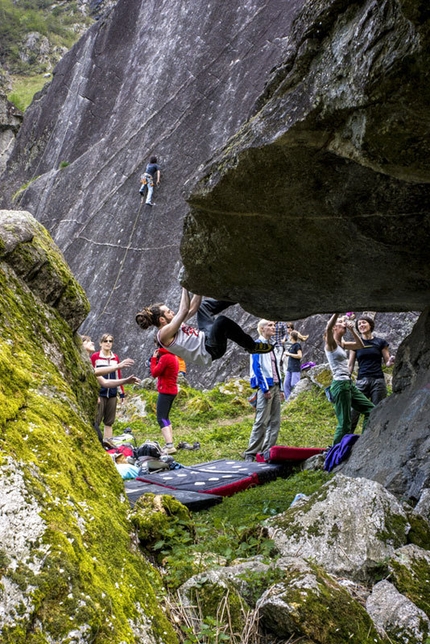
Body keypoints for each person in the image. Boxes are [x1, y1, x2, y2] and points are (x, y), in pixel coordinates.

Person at [135, 288, 275, 367]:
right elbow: (184, 310)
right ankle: (251, 346)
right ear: (162, 320)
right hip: (210, 349)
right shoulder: (163, 334)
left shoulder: (172, 325)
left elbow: (193, 308)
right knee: (221, 322)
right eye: (168, 312)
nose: (172, 312)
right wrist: (185, 286)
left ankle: (237, 296)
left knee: (203, 307)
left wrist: (197, 288)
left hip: (206, 336)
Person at [324, 314, 375, 445]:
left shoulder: (342, 343)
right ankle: (334, 452)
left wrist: (353, 330)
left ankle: (364, 442)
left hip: (348, 384)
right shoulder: (331, 344)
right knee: (345, 423)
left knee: (372, 410)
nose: (344, 324)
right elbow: (328, 327)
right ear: (335, 327)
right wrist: (337, 312)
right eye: (341, 322)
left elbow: (360, 345)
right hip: (340, 385)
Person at [243, 320, 282, 462]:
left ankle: (267, 451)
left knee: (275, 420)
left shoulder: (273, 346)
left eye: (274, 325)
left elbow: (276, 367)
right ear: (262, 328)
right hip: (266, 386)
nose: (273, 328)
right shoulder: (257, 345)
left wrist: (281, 388)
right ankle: (251, 452)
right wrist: (264, 388)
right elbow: (256, 367)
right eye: (270, 325)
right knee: (262, 420)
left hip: (276, 385)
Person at [348, 315, 394, 431]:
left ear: (370, 325)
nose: (361, 325)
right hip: (361, 381)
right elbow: (350, 365)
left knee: (376, 411)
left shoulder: (380, 342)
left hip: (378, 381)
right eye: (359, 324)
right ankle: (346, 440)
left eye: (364, 323)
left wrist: (391, 361)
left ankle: (368, 439)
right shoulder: (356, 344)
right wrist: (346, 379)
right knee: (354, 412)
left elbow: (387, 362)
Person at [90, 334, 126, 440]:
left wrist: (121, 392)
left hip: (112, 393)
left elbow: (118, 375)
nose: (108, 343)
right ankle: (95, 442)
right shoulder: (95, 357)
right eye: (105, 341)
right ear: (101, 343)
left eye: (110, 341)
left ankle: (108, 444)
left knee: (109, 421)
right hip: (100, 393)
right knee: (96, 420)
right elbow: (92, 375)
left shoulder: (115, 358)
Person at [150, 344, 179, 454]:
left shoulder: (165, 357)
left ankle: (169, 445)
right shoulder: (173, 356)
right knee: (166, 417)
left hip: (165, 391)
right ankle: (170, 443)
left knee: (161, 418)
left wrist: (153, 360)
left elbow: (154, 373)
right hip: (172, 390)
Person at [283, 330, 302, 400]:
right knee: (286, 384)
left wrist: (289, 354)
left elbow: (300, 356)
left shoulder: (297, 345)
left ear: (291, 337)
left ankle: (296, 400)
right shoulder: (292, 346)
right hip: (289, 368)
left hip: (295, 367)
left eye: (289, 335)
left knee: (294, 384)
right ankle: (288, 401)